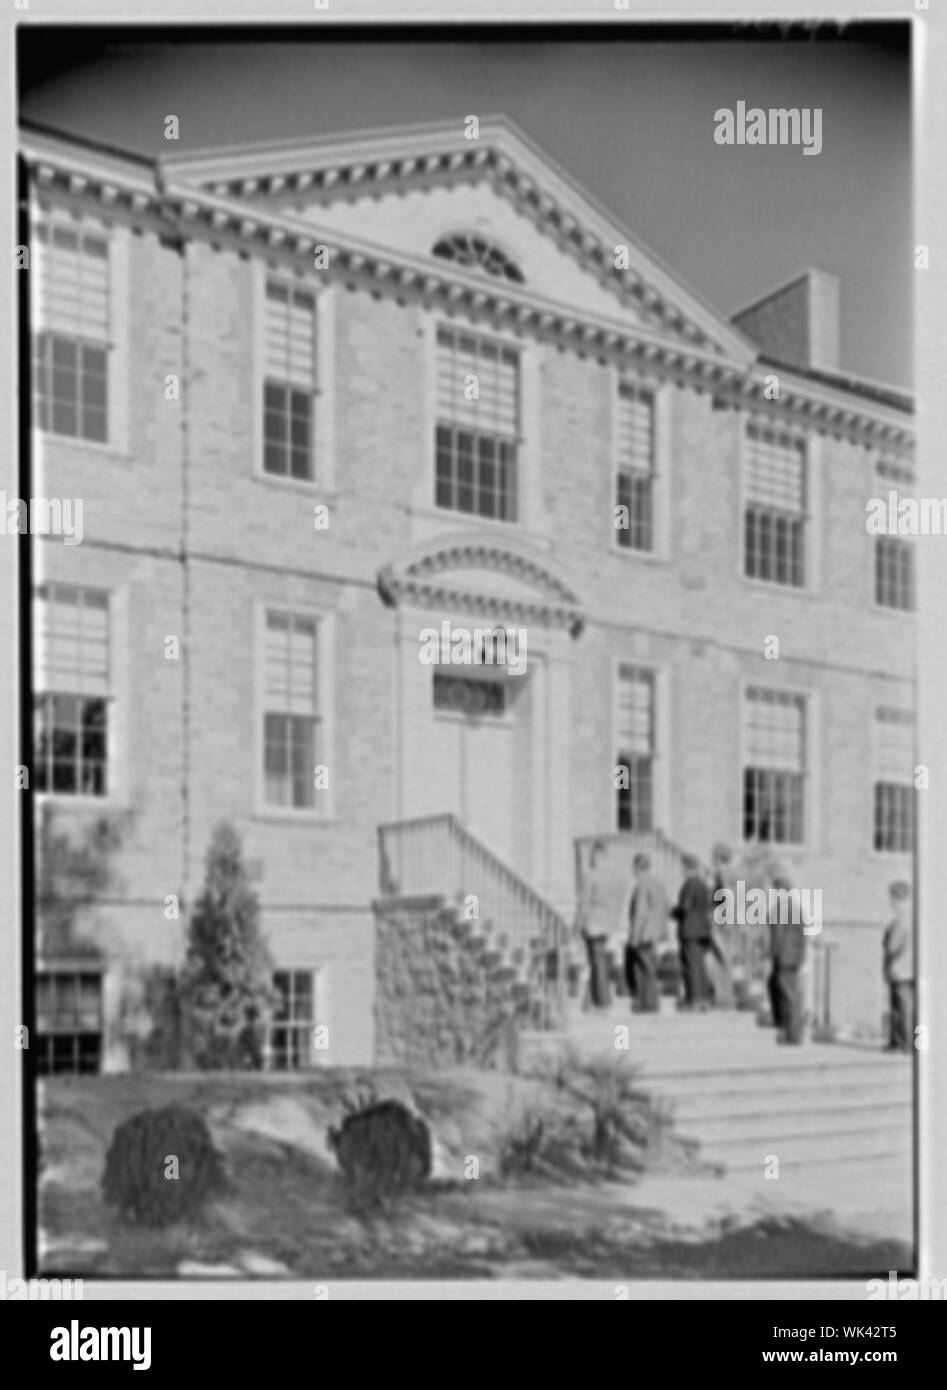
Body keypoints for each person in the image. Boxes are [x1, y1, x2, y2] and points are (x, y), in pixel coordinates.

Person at [767, 864, 806, 1044]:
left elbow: (778, 935)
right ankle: (792, 1032)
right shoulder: (796, 908)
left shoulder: (781, 908)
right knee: (792, 995)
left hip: (783, 956)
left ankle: (792, 1034)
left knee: (788, 996)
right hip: (794, 957)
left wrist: (772, 955)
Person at [626, 852, 668, 1012]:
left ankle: (647, 1002)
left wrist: (635, 935)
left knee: (643, 968)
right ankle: (648, 1001)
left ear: (636, 867)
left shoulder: (641, 885)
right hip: (655, 930)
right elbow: (665, 906)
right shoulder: (658, 883)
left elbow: (640, 912)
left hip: (644, 932)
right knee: (648, 966)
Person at [575, 840, 613, 1010]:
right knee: (599, 961)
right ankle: (595, 998)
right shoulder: (610, 876)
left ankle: (600, 1000)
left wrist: (577, 924)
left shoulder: (590, 876)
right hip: (606, 922)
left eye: (592, 856)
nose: (590, 859)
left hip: (593, 922)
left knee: (595, 962)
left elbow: (584, 902)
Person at [675, 854, 712, 1010]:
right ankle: (704, 998)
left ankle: (694, 999)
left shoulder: (690, 884)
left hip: (690, 929)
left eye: (683, 867)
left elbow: (685, 906)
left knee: (691, 966)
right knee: (700, 965)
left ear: (687, 867)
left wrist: (672, 912)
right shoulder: (704, 884)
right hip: (703, 929)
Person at [882, 880, 914, 1053]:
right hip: (911, 969)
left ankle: (906, 1043)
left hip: (900, 970)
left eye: (892, 898)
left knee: (903, 1008)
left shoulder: (901, 920)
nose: (891, 902)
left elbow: (893, 947)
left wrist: (887, 947)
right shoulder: (914, 917)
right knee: (905, 1007)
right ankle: (901, 1041)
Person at [707, 842, 737, 1008]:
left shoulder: (722, 873)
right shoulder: (732, 873)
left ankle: (723, 998)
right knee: (725, 960)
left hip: (721, 921)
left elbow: (726, 896)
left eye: (714, 857)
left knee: (721, 960)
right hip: (729, 920)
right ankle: (726, 997)